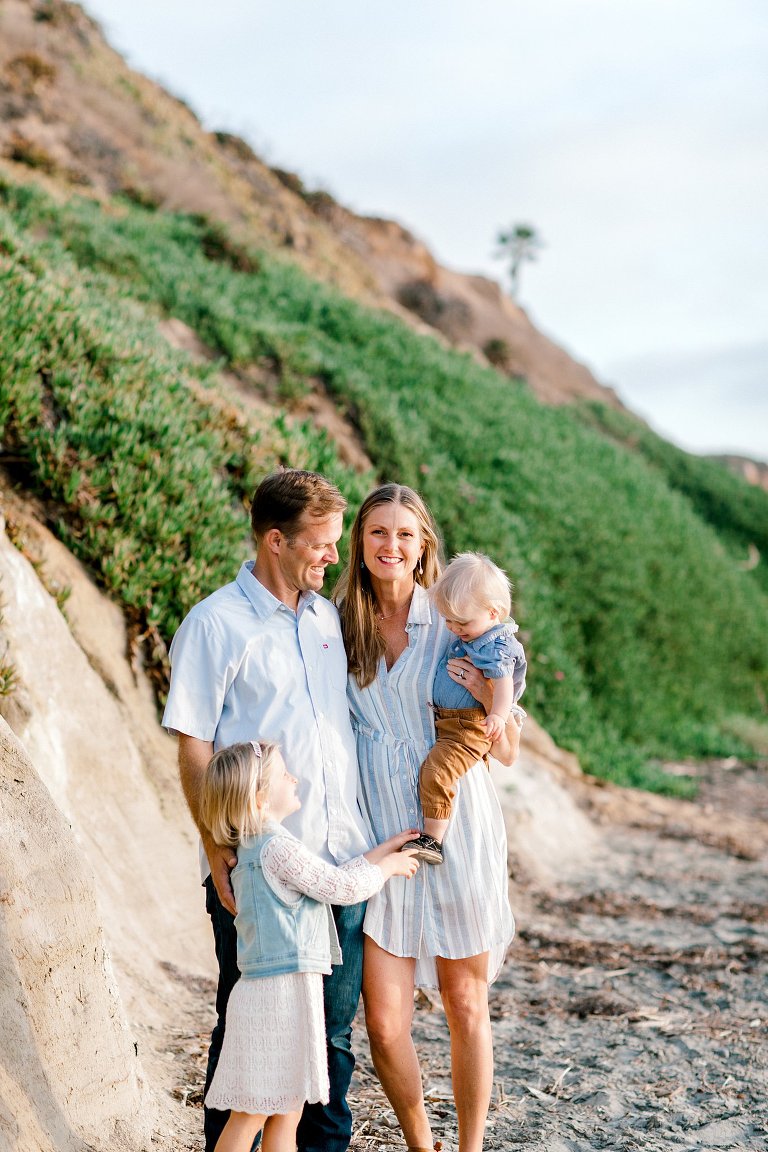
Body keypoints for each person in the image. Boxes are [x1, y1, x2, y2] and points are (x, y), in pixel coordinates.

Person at [162, 469, 372, 1152]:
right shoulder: (214, 624)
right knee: (247, 1036)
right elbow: (194, 746)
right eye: (320, 543)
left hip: (339, 860)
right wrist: (216, 846)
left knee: (330, 1040)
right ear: (275, 540)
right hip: (260, 874)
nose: (333, 555)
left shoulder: (326, 619)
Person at [334, 483, 521, 1152]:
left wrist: (488, 700)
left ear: (423, 548)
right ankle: (422, 1145)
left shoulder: (454, 622)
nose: (391, 545)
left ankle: (469, 1147)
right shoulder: (335, 626)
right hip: (382, 840)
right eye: (378, 531)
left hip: (457, 829)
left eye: (405, 534)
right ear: (360, 542)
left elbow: (506, 749)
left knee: (464, 1003)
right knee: (384, 1025)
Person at [199, 739, 420, 1152]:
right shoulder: (277, 847)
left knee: (288, 1108)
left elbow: (326, 878)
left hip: (281, 991)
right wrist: (388, 867)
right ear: (260, 798)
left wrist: (379, 852)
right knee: (253, 1112)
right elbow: (340, 887)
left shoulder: (257, 847)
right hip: (277, 997)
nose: (294, 778)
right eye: (284, 774)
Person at [401, 551, 527, 865]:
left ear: (494, 612)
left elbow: (503, 685)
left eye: (463, 622)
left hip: (470, 725)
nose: (455, 628)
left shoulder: (496, 646)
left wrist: (497, 714)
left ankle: (433, 839)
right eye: (449, 621)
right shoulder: (475, 632)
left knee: (437, 772)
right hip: (451, 721)